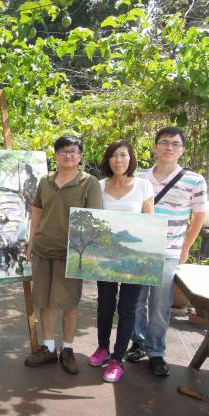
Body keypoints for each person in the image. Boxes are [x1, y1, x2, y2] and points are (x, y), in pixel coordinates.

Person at [126, 127, 207, 377]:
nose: (169, 147)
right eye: (164, 142)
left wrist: (186, 247)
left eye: (175, 144)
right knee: (137, 300)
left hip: (169, 250)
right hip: (140, 249)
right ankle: (138, 342)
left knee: (161, 303)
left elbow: (199, 216)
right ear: (155, 146)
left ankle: (157, 351)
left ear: (182, 149)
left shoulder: (195, 180)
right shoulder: (139, 178)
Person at [24, 135, 103, 375]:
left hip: (72, 252)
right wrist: (31, 240)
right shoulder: (45, 181)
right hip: (43, 249)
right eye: (64, 151)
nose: (69, 155)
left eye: (74, 151)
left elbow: (95, 219)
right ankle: (48, 348)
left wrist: (87, 254)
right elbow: (37, 210)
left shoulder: (89, 183)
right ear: (56, 155)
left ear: (80, 156)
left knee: (69, 303)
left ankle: (68, 349)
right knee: (45, 301)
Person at [87, 140, 154, 383]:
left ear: (131, 158)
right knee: (104, 306)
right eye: (114, 155)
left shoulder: (144, 186)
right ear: (108, 160)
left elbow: (149, 224)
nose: (118, 160)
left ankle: (117, 359)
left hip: (134, 260)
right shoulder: (99, 186)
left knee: (127, 309)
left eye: (123, 155)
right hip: (105, 258)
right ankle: (102, 348)